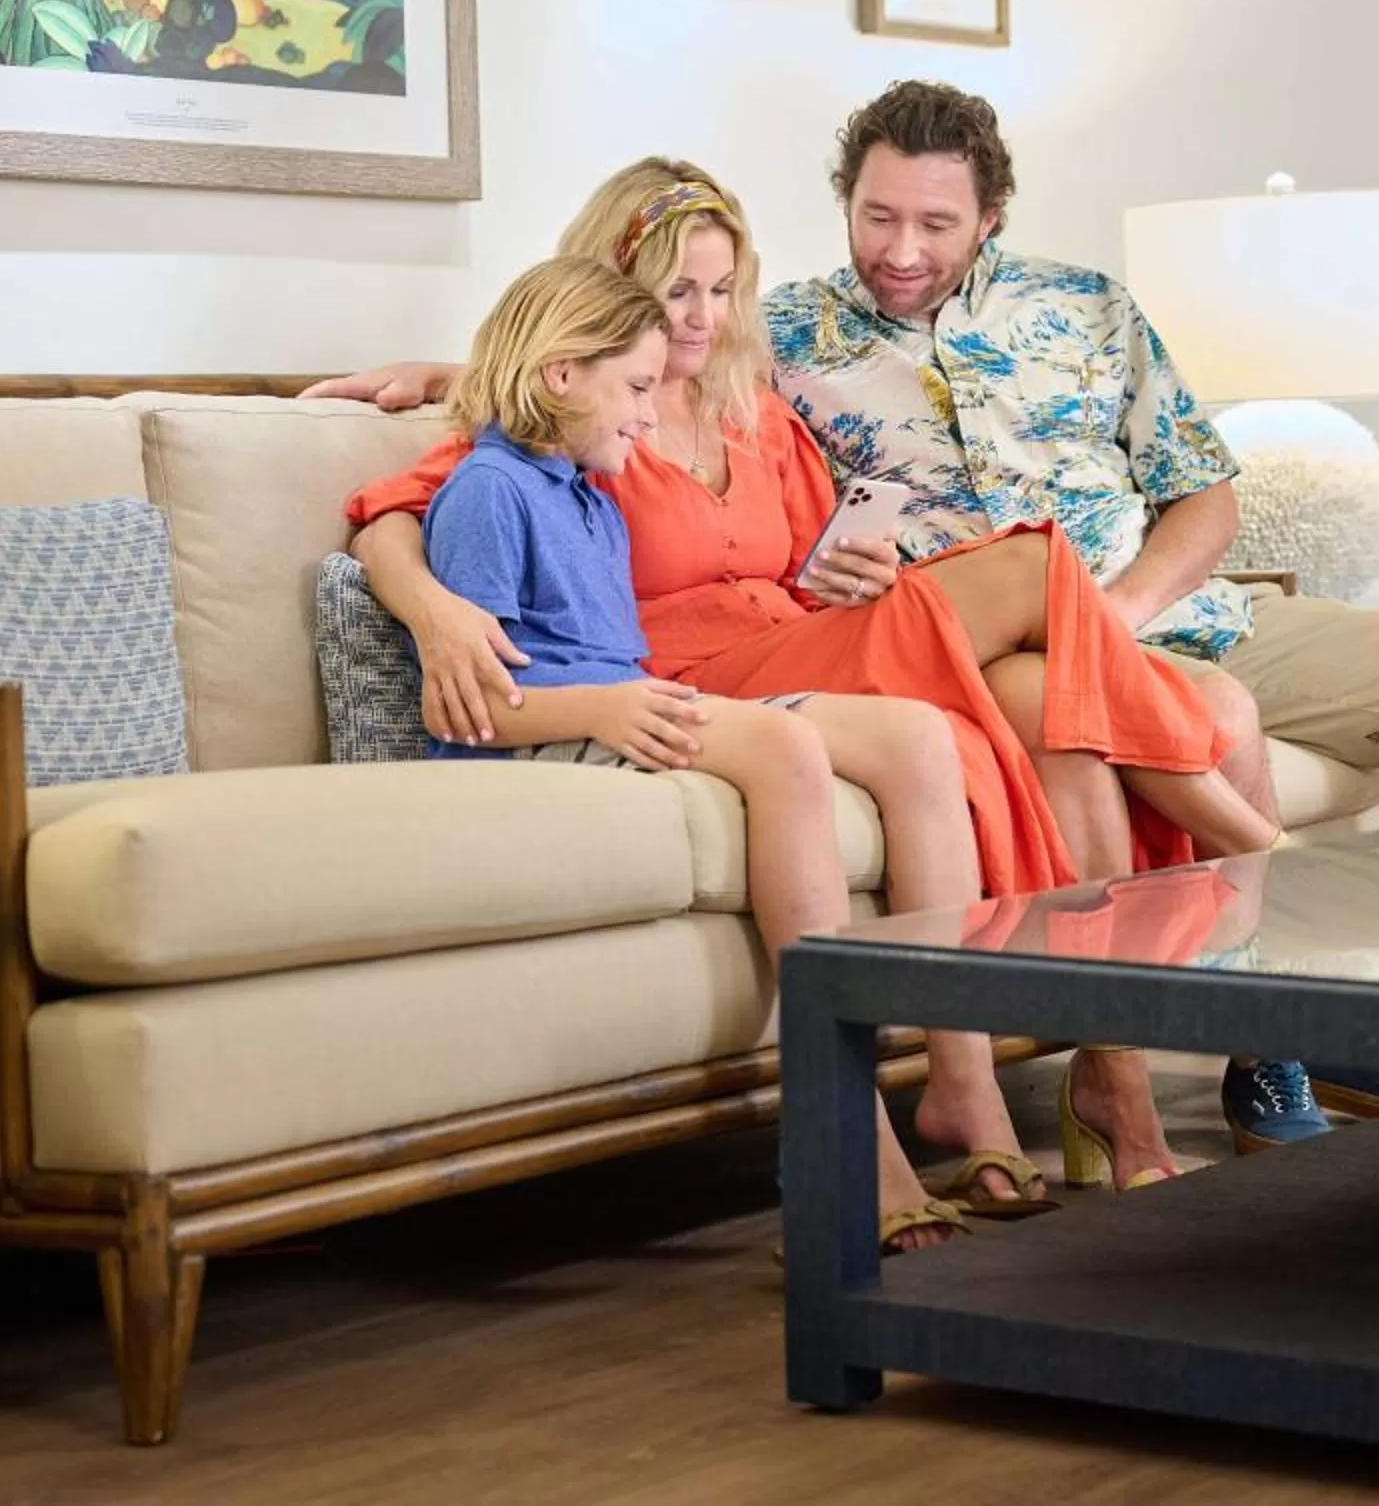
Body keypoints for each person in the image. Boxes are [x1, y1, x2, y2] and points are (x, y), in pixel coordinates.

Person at [331, 163, 1288, 1193]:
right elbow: (390, 510)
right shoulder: (588, 420)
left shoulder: (753, 407)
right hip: (699, 671)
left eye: (721, 289)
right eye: (676, 290)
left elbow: (804, 561)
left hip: (804, 639)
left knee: (1036, 705)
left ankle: (1093, 1087)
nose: (702, 317)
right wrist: (432, 610)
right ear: (614, 290)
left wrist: (849, 571)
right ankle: (1254, 848)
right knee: (1031, 564)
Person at [766, 80, 1379, 1145]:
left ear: (991, 216)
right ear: (845, 199)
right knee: (1219, 719)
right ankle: (1269, 1044)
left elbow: (1204, 495)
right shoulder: (778, 339)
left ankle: (1326, 992)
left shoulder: (1089, 306)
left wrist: (1125, 604)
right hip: (987, 646)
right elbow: (705, 482)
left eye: (935, 224)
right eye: (877, 217)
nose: (901, 250)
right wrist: (824, 566)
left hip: (1172, 609)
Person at [423, 253, 1024, 1255]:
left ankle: (964, 1080)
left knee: (917, 733)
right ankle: (841, 1138)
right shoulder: (488, 492)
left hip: (631, 714)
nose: (650, 413)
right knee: (783, 745)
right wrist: (606, 706)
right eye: (636, 388)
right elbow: (468, 709)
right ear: (561, 374)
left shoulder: (586, 489)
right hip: (561, 735)